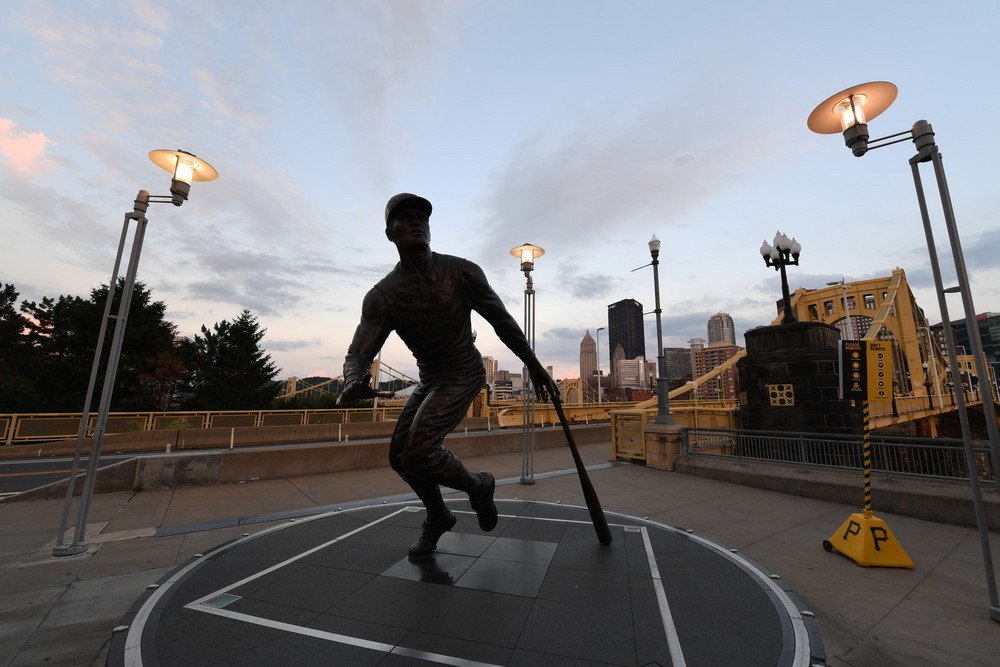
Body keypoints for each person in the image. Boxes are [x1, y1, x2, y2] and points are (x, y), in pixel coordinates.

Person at [339, 193, 558, 556]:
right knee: (400, 457)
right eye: (404, 218)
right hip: (430, 379)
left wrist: (533, 366)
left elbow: (502, 322)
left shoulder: (461, 272)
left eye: (421, 218)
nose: (416, 224)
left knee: (420, 451)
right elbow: (359, 351)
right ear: (389, 233)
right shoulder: (383, 295)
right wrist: (352, 380)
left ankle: (477, 486)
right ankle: (439, 515)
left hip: (464, 371)